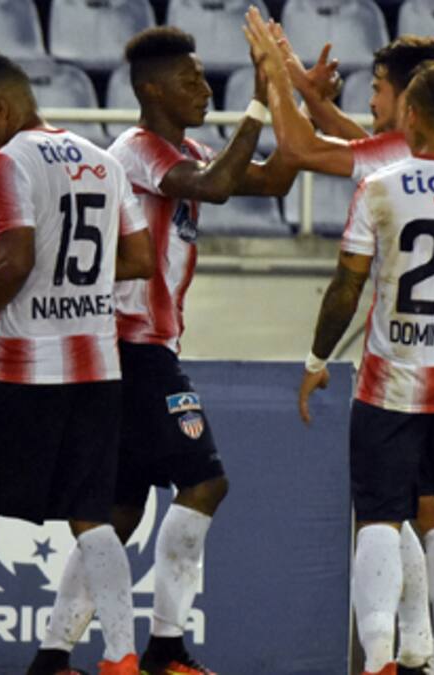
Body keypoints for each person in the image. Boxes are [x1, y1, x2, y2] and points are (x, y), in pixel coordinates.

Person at [260, 25, 434, 671]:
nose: (373, 104)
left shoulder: (383, 184)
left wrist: (315, 359)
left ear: (410, 112)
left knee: (381, 519)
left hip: (391, 383)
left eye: (384, 93)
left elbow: (346, 287)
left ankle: (381, 657)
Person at [29, 25, 297, 675]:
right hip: (133, 346)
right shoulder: (136, 151)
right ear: (152, 91)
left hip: (130, 350)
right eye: (190, 80)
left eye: (204, 78)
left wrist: (291, 97)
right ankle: (165, 648)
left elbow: (275, 179)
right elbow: (215, 186)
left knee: (119, 513)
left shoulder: (186, 150)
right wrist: (258, 99)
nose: (204, 89)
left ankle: (51, 658)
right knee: (206, 481)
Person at [0, 47, 156, 675]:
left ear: (2, 108)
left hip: (21, 368)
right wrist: (61, 273)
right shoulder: (102, 161)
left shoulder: (8, 161)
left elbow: (19, 259)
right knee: (92, 517)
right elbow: (140, 259)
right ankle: (122, 657)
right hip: (97, 367)